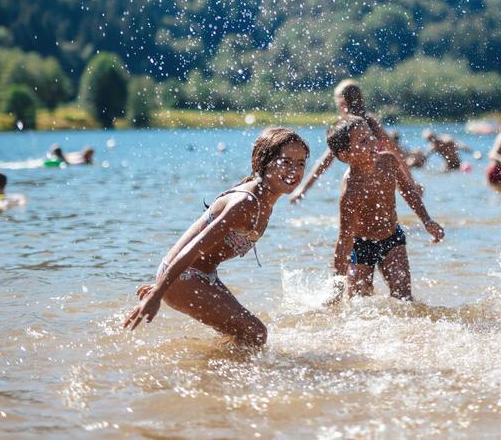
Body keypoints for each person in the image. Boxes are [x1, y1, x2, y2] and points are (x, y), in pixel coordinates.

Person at [123, 128, 309, 346]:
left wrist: (163, 284)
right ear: (264, 161)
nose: (294, 170)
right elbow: (193, 248)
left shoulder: (265, 198)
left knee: (242, 336)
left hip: (199, 275)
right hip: (185, 274)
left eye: (301, 163)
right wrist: (159, 291)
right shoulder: (246, 203)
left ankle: (207, 369)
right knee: (256, 333)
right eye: (286, 162)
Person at [326, 116, 444, 300]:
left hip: (392, 238)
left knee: (404, 299)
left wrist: (426, 220)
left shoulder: (388, 161)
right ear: (345, 155)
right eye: (363, 140)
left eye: (371, 135)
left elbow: (408, 191)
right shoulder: (351, 191)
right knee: (359, 303)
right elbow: (344, 239)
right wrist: (337, 285)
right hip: (361, 246)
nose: (373, 141)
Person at [290, 79, 416, 202]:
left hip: (360, 180)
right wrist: (411, 182)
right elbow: (395, 150)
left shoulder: (348, 128)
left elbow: (325, 162)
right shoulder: (370, 121)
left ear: (342, 103)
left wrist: (302, 189)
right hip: (380, 176)